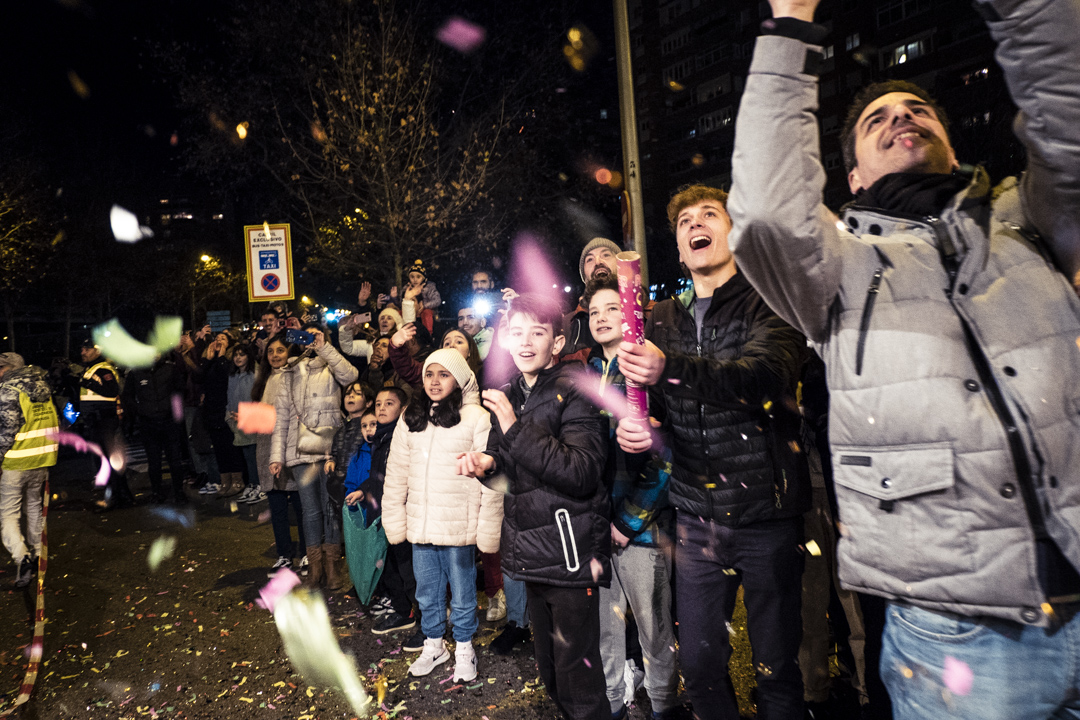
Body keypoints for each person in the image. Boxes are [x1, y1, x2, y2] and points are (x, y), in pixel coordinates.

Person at [727, 1, 1080, 717]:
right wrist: (791, 24)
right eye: (875, 119)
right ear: (850, 178)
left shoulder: (1032, 222)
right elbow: (766, 211)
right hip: (961, 640)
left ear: (952, 142)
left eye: (918, 108)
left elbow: (1065, 113)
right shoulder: (839, 267)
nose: (901, 118)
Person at [616, 184, 810, 720]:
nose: (695, 224)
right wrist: (641, 429)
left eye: (709, 214)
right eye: (683, 222)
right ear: (680, 249)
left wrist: (669, 370)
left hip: (766, 516)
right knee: (699, 667)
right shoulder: (661, 321)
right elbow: (654, 407)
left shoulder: (773, 298)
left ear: (734, 231)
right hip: (697, 520)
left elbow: (766, 376)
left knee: (776, 668)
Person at [459, 293, 610, 720]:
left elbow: (582, 471)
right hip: (530, 554)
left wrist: (512, 426)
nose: (526, 342)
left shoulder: (576, 389)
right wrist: (485, 464)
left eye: (538, 333)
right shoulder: (510, 393)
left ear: (556, 343)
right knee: (550, 674)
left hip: (569, 552)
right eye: (518, 331)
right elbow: (507, 467)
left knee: (578, 680)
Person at [567, 275, 679, 720]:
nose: (600, 318)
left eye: (611, 308)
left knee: (652, 627)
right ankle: (612, 701)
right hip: (595, 524)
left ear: (630, 313)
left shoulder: (650, 372)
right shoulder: (585, 375)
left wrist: (628, 522)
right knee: (604, 629)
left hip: (642, 530)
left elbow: (665, 456)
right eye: (593, 312)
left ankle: (664, 705)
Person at [383, 349, 502, 683]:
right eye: (429, 374)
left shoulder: (476, 417)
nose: (435, 382)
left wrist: (487, 527)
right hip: (422, 522)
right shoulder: (411, 417)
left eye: (444, 374)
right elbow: (397, 473)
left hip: (458, 524)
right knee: (427, 589)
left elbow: (489, 479)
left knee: (463, 593)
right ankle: (434, 643)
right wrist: (395, 517)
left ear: (460, 378)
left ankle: (464, 646)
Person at [270, 322, 359, 593]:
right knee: (309, 512)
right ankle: (316, 568)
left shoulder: (332, 363)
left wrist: (325, 347)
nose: (309, 340)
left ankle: (332, 568)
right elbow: (281, 417)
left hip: (329, 448)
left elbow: (351, 376)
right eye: (305, 336)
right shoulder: (290, 371)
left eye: (314, 335)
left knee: (331, 508)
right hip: (298, 450)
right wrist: (276, 456)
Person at [365, 387, 424, 651]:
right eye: (378, 403)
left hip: (401, 515)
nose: (381, 408)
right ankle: (404, 612)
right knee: (387, 568)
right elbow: (378, 477)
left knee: (409, 571)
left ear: (402, 409)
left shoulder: (403, 437)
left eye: (389, 403)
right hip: (382, 515)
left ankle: (427, 623)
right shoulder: (378, 438)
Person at [0, 353, 59, 588]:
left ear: (7, 369)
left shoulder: (8, 389)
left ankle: (22, 558)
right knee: (34, 509)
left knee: (8, 515)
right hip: (42, 458)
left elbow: (6, 430)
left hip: (15, 461)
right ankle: (36, 555)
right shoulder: (43, 388)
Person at [253, 334, 307, 576]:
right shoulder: (263, 379)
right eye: (271, 351)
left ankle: (306, 552)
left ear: (290, 352)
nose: (275, 356)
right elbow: (265, 416)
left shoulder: (296, 374)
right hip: (267, 447)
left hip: (290, 444)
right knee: (277, 506)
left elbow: (291, 413)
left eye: (280, 351)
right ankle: (284, 555)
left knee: (300, 503)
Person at [121, 350, 188, 504]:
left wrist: (177, 417)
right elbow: (128, 396)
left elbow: (180, 391)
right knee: (154, 461)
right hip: (148, 423)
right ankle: (157, 492)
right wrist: (138, 413)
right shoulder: (136, 373)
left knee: (174, 460)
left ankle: (179, 492)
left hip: (169, 421)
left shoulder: (170, 370)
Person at [75, 338, 135, 510]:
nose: (83, 352)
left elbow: (112, 391)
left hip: (104, 421)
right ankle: (123, 497)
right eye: (82, 349)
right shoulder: (91, 369)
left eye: (87, 349)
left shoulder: (103, 369)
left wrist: (88, 383)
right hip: (96, 420)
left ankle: (115, 498)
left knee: (106, 461)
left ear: (98, 351)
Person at [325, 381, 375, 535]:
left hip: (362, 484)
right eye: (348, 393)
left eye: (357, 393)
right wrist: (331, 461)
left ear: (368, 402)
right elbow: (335, 451)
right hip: (343, 485)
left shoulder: (370, 428)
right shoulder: (342, 429)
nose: (350, 396)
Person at [563, 237, 621, 356]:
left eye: (606, 255)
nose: (598, 262)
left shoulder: (652, 315)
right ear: (584, 276)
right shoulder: (566, 326)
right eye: (590, 259)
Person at [226, 343, 263, 504]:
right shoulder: (233, 375)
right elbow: (230, 397)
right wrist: (229, 415)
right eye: (236, 355)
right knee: (246, 456)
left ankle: (259, 486)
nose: (238, 358)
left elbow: (260, 398)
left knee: (254, 455)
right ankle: (252, 484)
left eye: (242, 354)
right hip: (237, 421)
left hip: (252, 420)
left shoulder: (255, 373)